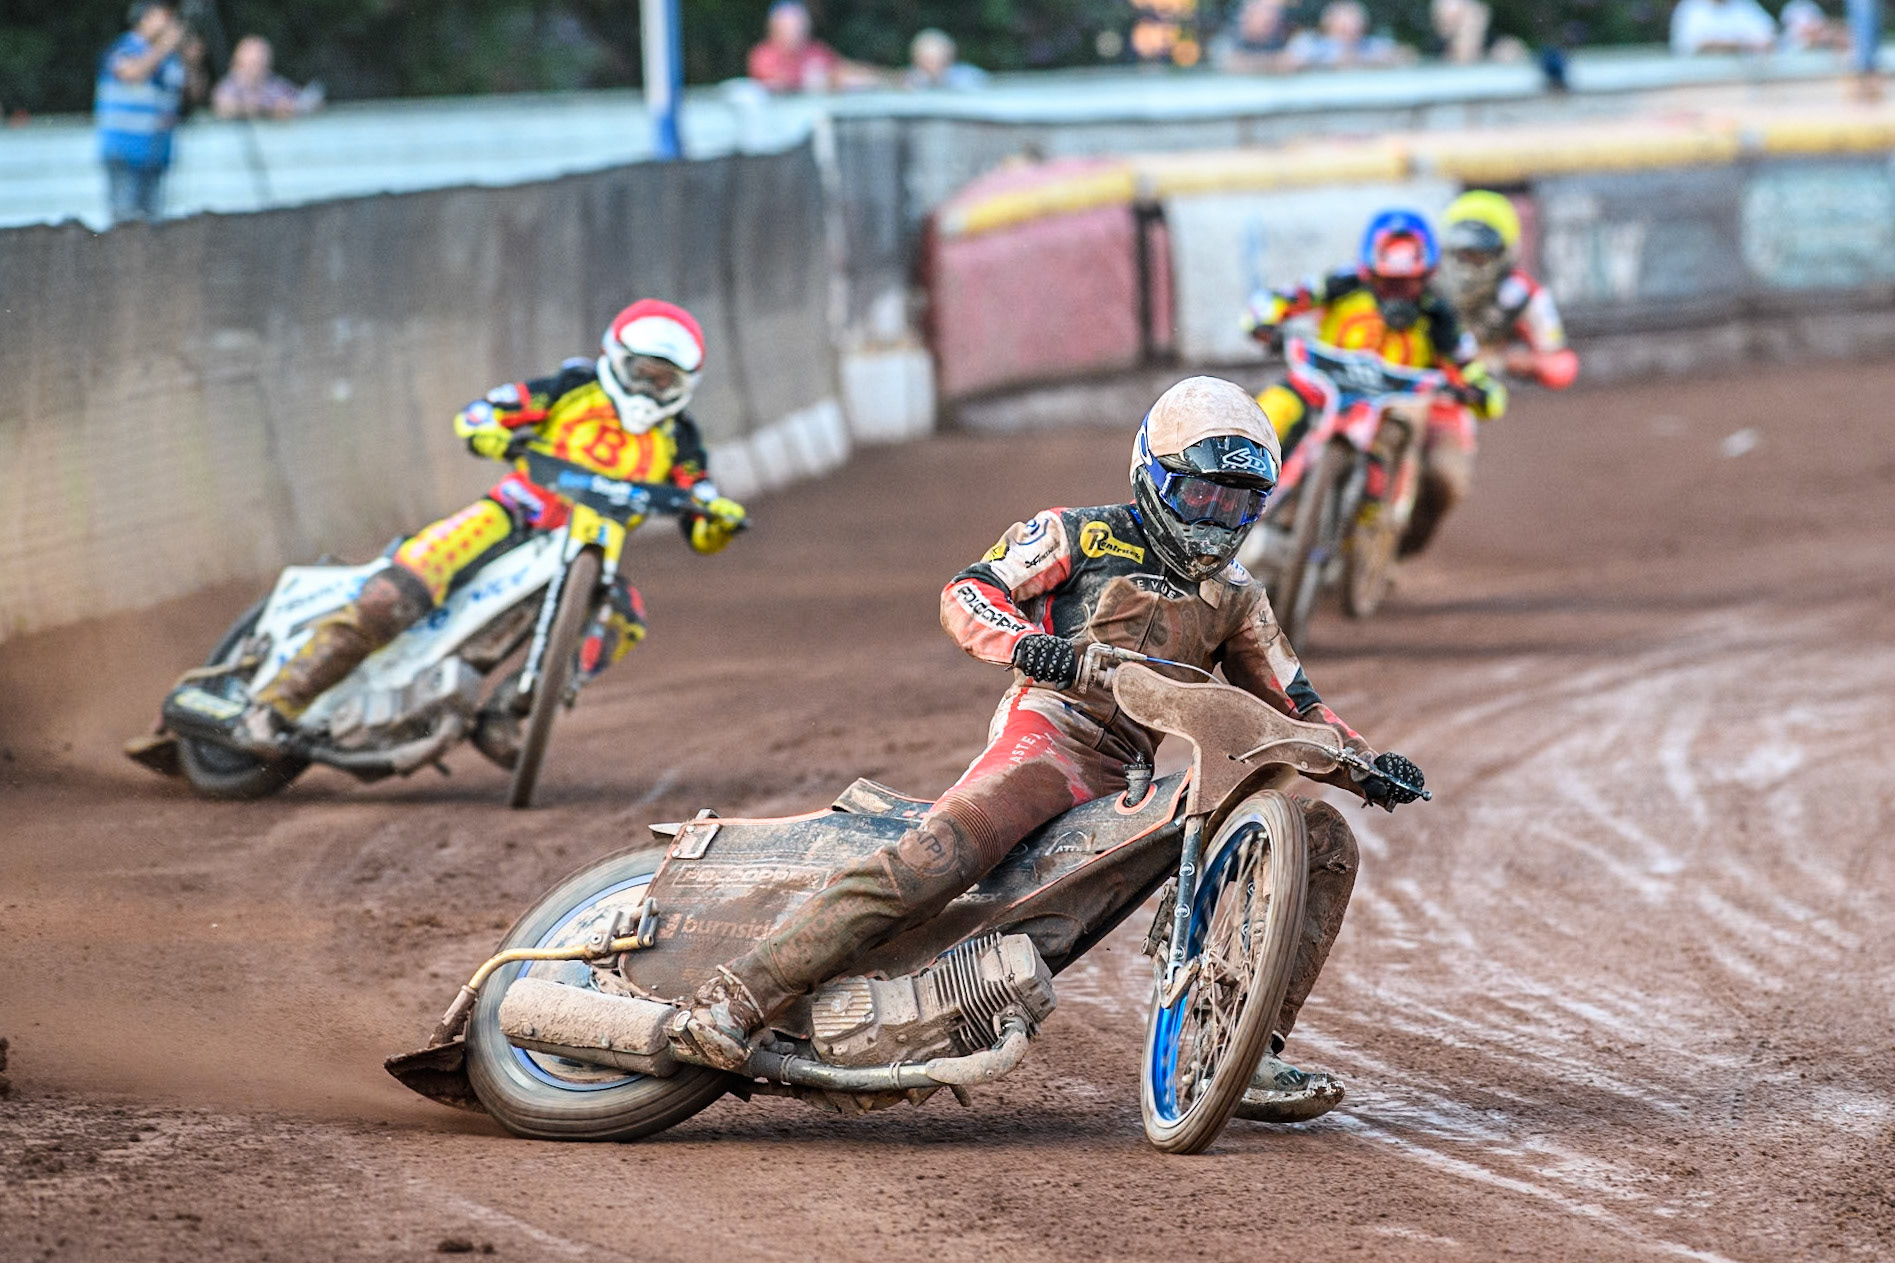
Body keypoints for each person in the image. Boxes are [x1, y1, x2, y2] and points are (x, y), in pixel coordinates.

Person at [669, 376, 1427, 1125]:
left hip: (1135, 770)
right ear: (1154, 477)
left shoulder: (1238, 596)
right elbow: (967, 591)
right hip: (1052, 732)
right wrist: (1036, 648)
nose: (1216, 519)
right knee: (945, 851)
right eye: (1202, 495)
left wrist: (1364, 762)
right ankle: (738, 994)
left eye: (1237, 503)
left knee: (1322, 838)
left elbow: (1294, 701)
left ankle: (1248, 1048)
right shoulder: (1076, 531)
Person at [228, 300, 749, 764]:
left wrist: (719, 519)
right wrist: (491, 432)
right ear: (615, 358)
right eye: (640, 372)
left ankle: (510, 710)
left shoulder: (680, 439)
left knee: (623, 617)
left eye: (664, 380)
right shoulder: (573, 388)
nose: (648, 388)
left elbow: (701, 513)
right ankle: (271, 708)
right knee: (393, 596)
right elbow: (487, 412)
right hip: (512, 514)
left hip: (590, 550)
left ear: (685, 386)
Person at [1241, 207, 1507, 557]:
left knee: (1405, 445)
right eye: (1387, 282)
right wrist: (1265, 323)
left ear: (1426, 276)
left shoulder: (1438, 316)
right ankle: (1224, 491)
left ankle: (1365, 542)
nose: (1396, 295)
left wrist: (1476, 389)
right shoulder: (1340, 285)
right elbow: (1274, 302)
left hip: (1387, 409)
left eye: (1407, 283)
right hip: (1322, 388)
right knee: (1271, 410)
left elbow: (1470, 370)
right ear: (1369, 271)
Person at [94, 1, 205, 224]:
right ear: (144, 18)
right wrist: (165, 46)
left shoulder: (170, 60)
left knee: (154, 225)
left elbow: (194, 93)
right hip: (124, 152)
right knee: (125, 223)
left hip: (156, 153)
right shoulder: (124, 47)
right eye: (162, 17)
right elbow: (131, 73)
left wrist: (192, 61)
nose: (169, 24)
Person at [746, 1, 880, 93]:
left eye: (798, 25)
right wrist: (820, 80)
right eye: (788, 26)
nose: (795, 31)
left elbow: (843, 69)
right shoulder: (763, 54)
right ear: (774, 28)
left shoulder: (815, 50)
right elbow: (774, 81)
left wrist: (887, 78)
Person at [212, 36, 322, 120]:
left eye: (263, 62)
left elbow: (301, 99)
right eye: (254, 62)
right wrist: (271, 109)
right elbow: (225, 108)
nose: (260, 67)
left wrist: (304, 105)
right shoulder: (229, 86)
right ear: (240, 62)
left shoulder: (273, 83)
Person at [1283, 1, 1413, 69]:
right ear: (1329, 25)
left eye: (1356, 27)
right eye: (1344, 29)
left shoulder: (1368, 45)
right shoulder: (1310, 43)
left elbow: (1406, 55)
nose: (1352, 32)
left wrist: (1367, 61)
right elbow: (1287, 62)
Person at [1210, 0, 1296, 73]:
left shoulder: (1287, 38)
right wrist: (1274, 63)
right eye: (1265, 11)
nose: (1272, 18)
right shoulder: (1225, 41)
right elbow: (1228, 63)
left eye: (1275, 12)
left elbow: (1295, 60)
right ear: (1248, 13)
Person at [1670, 0, 1777, 54]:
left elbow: (1769, 38)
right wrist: (1743, 44)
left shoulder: (1743, 6)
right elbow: (1693, 45)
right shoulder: (1691, 8)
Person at [904, 28, 988, 90]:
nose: (932, 66)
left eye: (937, 60)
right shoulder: (910, 78)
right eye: (927, 61)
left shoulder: (968, 77)